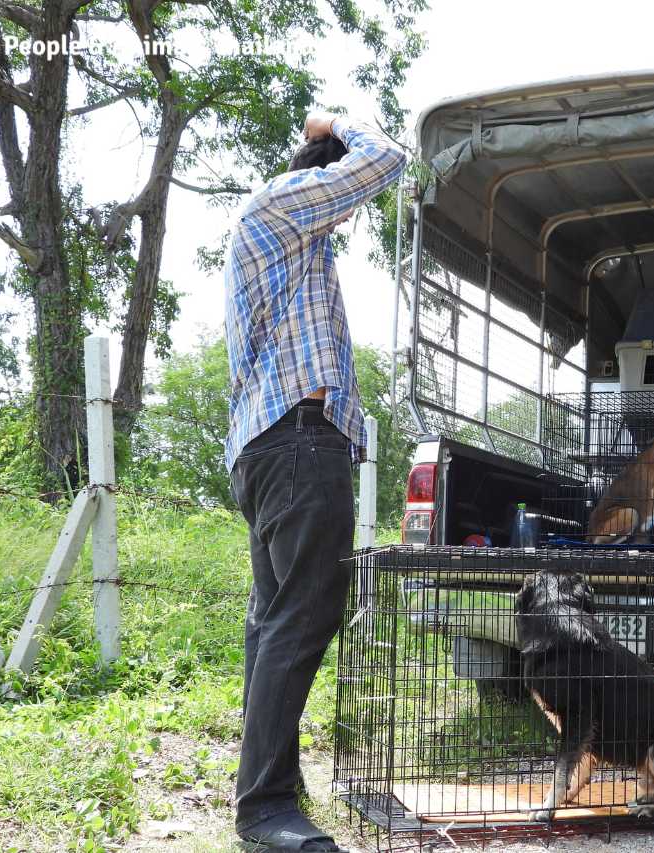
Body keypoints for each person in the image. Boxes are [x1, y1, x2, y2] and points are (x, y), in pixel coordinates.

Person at [224, 112, 406, 850]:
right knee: (300, 618)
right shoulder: (283, 203)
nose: (345, 210)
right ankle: (263, 805)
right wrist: (336, 120)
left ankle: (270, 785)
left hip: (274, 444)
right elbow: (385, 158)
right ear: (318, 174)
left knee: (272, 623)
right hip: (297, 443)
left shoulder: (293, 242)